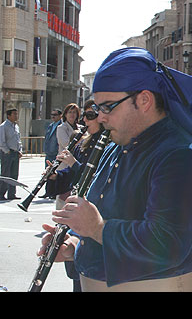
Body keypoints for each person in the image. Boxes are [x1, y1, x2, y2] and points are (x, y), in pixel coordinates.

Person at [38, 47, 192, 292]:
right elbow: (105, 213)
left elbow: (169, 244)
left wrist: (97, 228)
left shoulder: (182, 156)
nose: (100, 117)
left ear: (144, 100)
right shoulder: (116, 148)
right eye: (97, 109)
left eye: (108, 106)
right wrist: (74, 242)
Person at [53, 100, 107, 292]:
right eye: (84, 116)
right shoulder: (81, 139)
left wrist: (74, 163)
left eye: (90, 116)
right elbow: (72, 176)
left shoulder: (107, 143)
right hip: (77, 204)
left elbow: (96, 176)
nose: (84, 119)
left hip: (93, 210)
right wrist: (55, 176)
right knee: (76, 270)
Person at [54, 103, 82, 209]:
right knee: (63, 192)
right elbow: (66, 144)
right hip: (65, 163)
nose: (72, 114)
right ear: (65, 114)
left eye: (74, 112)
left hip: (77, 162)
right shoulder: (61, 128)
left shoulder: (81, 128)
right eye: (69, 112)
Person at [0, 107, 23, 201]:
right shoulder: (3, 126)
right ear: (9, 115)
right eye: (14, 114)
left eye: (16, 114)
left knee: (14, 174)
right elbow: (1, 141)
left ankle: (12, 193)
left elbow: (18, 140)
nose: (16, 116)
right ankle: (1, 193)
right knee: (6, 174)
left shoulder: (16, 126)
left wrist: (20, 150)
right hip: (7, 153)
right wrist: (7, 151)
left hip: (15, 153)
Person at [42, 108, 62, 198]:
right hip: (49, 152)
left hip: (56, 153)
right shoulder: (51, 125)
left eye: (55, 115)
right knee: (47, 172)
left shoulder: (61, 126)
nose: (53, 116)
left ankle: (54, 192)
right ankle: (48, 191)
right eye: (52, 115)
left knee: (54, 172)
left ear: (60, 115)